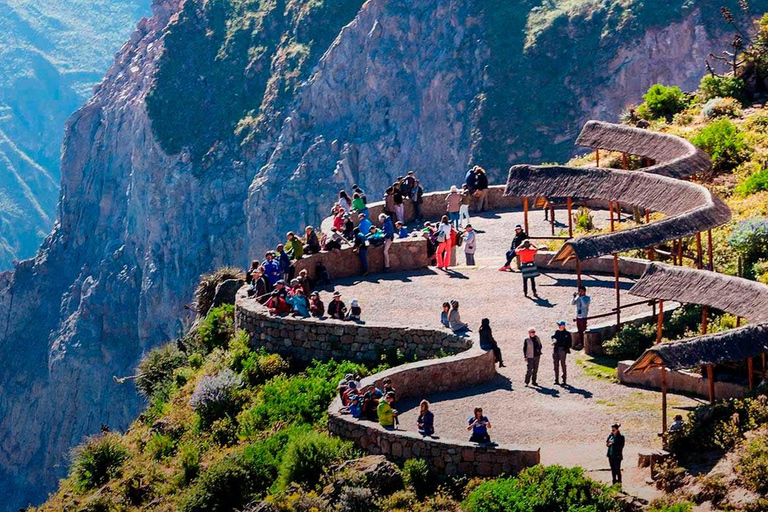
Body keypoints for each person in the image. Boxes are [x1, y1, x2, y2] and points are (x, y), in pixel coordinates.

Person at [551, 320, 572, 385]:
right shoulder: (557, 332)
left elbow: (570, 343)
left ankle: (564, 380)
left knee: (563, 364)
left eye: (560, 325)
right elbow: (553, 337)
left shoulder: (567, 334)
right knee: (555, 365)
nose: (560, 327)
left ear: (563, 326)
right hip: (556, 350)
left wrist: (565, 350)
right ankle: (556, 380)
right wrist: (553, 341)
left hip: (562, 350)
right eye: (559, 325)